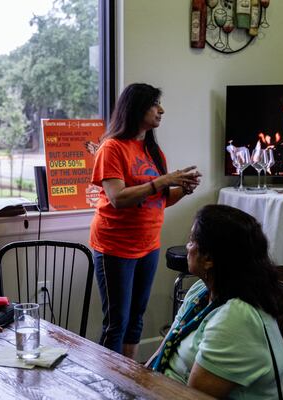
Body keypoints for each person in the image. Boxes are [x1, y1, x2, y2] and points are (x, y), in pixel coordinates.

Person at [90, 83, 201, 358]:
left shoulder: (153, 151)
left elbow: (159, 199)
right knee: (117, 323)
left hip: (148, 244)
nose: (161, 110)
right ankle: (110, 385)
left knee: (136, 319)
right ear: (136, 108)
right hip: (115, 246)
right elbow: (117, 198)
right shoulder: (112, 148)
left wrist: (183, 190)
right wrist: (163, 180)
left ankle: (132, 381)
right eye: (155, 104)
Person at [146, 205, 283, 399]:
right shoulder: (201, 291)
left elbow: (194, 397)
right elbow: (167, 346)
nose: (187, 247)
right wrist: (140, 378)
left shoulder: (237, 319)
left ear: (209, 260)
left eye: (191, 240)